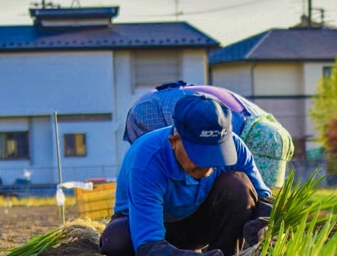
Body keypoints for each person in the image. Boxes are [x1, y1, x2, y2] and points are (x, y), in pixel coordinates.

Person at [100, 92, 273, 256]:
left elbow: (265, 199)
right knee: (117, 241)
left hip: (195, 221)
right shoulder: (146, 161)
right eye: (200, 156)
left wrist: (264, 226)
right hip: (146, 229)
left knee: (238, 186)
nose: (208, 167)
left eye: (216, 155)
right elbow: (149, 247)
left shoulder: (236, 147)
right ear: (174, 141)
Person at [123, 81, 294, 189]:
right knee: (170, 179)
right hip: (150, 112)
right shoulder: (220, 128)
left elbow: (261, 187)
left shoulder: (266, 128)